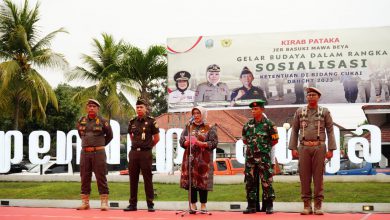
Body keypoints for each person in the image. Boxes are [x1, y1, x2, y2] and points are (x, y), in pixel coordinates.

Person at [288, 87, 336, 215]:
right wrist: (293, 148)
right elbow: (294, 130)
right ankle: (307, 205)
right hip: (303, 147)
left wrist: (331, 149)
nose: (310, 97)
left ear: (318, 97)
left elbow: (330, 130)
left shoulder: (324, 112)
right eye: (308, 95)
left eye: (313, 94)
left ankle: (318, 205)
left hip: (319, 147)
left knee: (318, 177)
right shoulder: (300, 111)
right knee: (304, 177)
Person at [242, 100, 279, 214]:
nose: (253, 111)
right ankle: (251, 205)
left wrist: (263, 149)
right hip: (250, 159)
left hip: (264, 158)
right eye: (252, 109)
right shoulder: (247, 125)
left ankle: (269, 205)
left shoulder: (269, 124)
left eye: (256, 109)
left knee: (266, 181)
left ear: (262, 109)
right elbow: (244, 140)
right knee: (250, 181)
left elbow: (274, 141)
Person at [124, 98, 160, 212]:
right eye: (137, 107)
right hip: (134, 152)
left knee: (147, 178)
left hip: (145, 153)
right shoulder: (132, 121)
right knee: (133, 179)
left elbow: (157, 138)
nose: (139, 109)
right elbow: (131, 137)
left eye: (141, 107)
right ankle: (132, 204)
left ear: (146, 108)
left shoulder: (151, 121)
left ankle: (150, 204)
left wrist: (148, 146)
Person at [76, 99, 113, 211]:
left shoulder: (103, 121)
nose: (91, 108)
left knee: (101, 176)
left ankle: (104, 202)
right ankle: (85, 203)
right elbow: (81, 135)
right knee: (84, 177)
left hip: (99, 153)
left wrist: (99, 144)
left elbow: (110, 136)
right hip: (85, 153)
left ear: (98, 109)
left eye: (94, 106)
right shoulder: (81, 120)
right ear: (87, 108)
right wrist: (88, 145)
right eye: (90, 106)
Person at [179, 106, 218, 212]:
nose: (196, 115)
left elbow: (214, 143)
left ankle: (203, 205)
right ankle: (192, 204)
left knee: (202, 181)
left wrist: (202, 143)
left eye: (198, 113)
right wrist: (185, 142)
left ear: (203, 114)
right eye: (194, 113)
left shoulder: (209, 127)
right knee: (191, 181)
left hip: (203, 159)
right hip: (190, 157)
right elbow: (181, 140)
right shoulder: (188, 126)